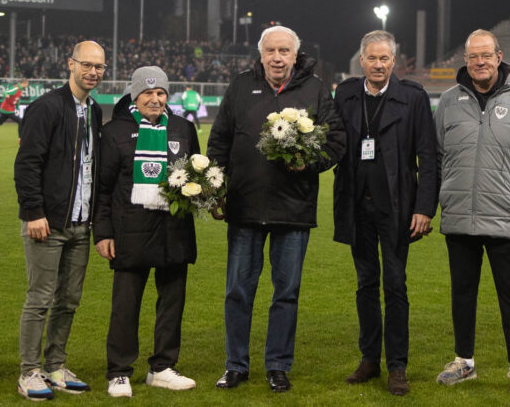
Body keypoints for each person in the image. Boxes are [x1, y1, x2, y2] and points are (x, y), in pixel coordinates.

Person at [207, 25, 345, 393]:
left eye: (284, 51)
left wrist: (309, 163)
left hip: (293, 209)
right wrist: (215, 190)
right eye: (270, 51)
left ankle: (277, 366)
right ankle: (235, 365)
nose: (277, 57)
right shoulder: (239, 85)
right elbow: (219, 139)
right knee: (238, 291)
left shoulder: (315, 89)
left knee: (286, 294)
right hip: (244, 207)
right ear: (261, 54)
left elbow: (336, 142)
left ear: (295, 55)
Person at [432, 29, 510, 396]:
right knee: (462, 293)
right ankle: (464, 362)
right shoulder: (449, 102)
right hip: (458, 217)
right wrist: (429, 206)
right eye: (473, 57)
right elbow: (435, 159)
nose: (480, 62)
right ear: (466, 61)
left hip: (505, 215)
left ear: (499, 56)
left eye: (486, 55)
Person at [332, 30, 437, 396]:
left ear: (396, 62)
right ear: (361, 61)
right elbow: (331, 145)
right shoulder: (344, 94)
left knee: (395, 285)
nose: (379, 65)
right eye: (372, 59)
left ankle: (397, 366)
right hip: (356, 206)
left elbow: (429, 156)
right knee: (365, 284)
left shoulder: (413, 98)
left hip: (397, 208)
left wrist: (424, 208)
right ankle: (369, 359)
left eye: (385, 59)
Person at [93, 66, 200, 398]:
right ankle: (119, 372)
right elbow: (103, 187)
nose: (155, 99)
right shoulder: (114, 132)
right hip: (130, 230)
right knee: (126, 305)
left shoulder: (184, 127)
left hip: (174, 229)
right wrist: (103, 232)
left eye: (160, 93)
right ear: (134, 97)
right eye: (147, 94)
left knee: (172, 302)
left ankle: (162, 367)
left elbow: (196, 172)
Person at [13, 41, 105, 401]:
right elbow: (27, 164)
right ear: (70, 64)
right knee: (40, 298)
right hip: (47, 222)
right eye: (87, 65)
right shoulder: (46, 107)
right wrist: (33, 212)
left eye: (99, 66)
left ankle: (55, 366)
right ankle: (28, 371)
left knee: (69, 300)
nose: (93, 72)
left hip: (80, 223)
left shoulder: (95, 111)